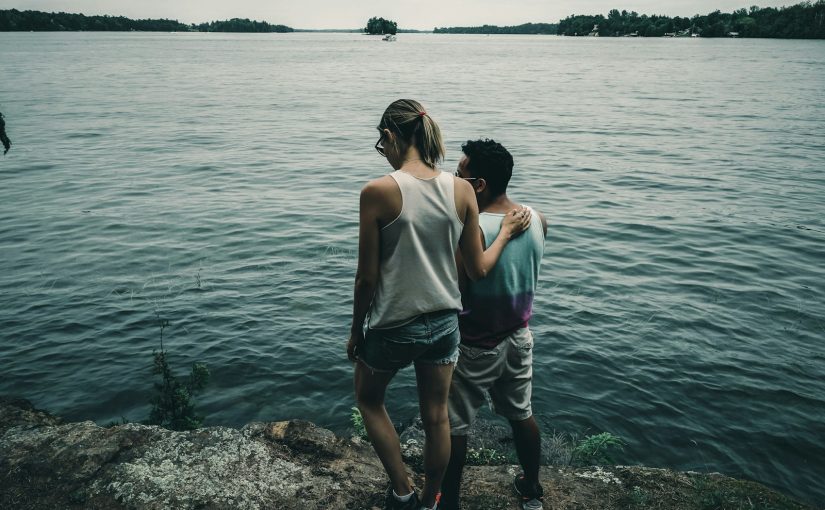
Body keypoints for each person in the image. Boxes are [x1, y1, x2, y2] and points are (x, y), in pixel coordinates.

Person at [347, 101, 532, 510]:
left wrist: (356, 328)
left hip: (395, 324)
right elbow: (477, 269)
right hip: (446, 324)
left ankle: (401, 491)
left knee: (369, 398)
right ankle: (432, 500)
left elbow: (367, 278)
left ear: (392, 136)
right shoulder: (462, 188)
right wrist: (503, 234)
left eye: (382, 143)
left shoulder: (378, 192)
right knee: (437, 417)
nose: (383, 150)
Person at [440, 139, 547, 510]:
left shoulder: (472, 230)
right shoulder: (537, 219)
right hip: (519, 337)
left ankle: (449, 501)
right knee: (521, 415)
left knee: (454, 425)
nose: (454, 180)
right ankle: (531, 490)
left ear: (479, 184)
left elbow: (458, 286)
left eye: (459, 174)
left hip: (474, 344)